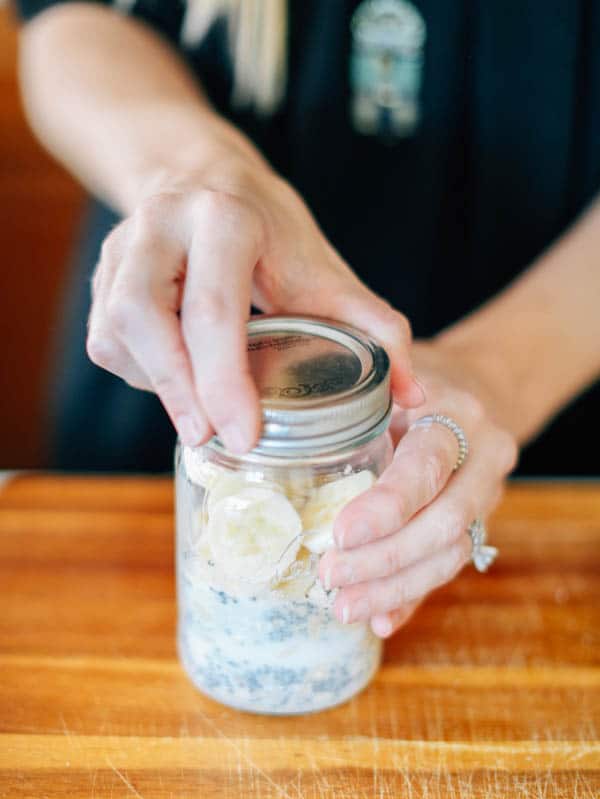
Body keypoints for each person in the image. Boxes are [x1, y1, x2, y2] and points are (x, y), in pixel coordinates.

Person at [15, 0, 600, 638]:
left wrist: (495, 372)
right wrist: (202, 171)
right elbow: (65, 21)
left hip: (552, 450)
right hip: (163, 404)